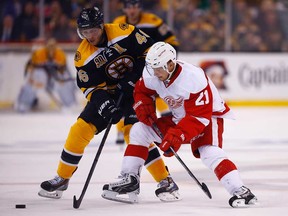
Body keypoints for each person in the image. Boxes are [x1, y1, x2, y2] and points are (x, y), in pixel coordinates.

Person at [38, 7, 180, 202]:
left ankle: (165, 181)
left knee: (135, 133)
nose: (90, 36)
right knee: (79, 130)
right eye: (85, 32)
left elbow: (150, 52)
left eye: (93, 31)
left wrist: (133, 77)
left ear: (102, 26)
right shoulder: (82, 56)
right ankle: (62, 178)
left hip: (138, 89)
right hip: (110, 94)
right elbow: (91, 89)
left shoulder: (124, 31)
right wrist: (106, 106)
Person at [102, 42, 258, 207]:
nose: (155, 73)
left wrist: (177, 136)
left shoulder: (193, 78)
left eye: (159, 68)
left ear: (170, 64)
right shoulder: (152, 73)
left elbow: (199, 117)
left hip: (208, 117)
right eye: (153, 68)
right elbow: (142, 90)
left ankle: (241, 191)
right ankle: (130, 179)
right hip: (180, 117)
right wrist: (144, 104)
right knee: (139, 130)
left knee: (208, 151)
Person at [113, 0, 179, 145]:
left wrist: (168, 61)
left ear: (140, 8)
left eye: (135, 6)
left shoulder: (153, 21)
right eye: (129, 7)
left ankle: (160, 120)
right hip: (127, 67)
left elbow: (172, 41)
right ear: (124, 9)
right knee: (125, 98)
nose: (132, 10)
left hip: (150, 67)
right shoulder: (117, 23)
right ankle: (121, 129)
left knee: (153, 92)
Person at [14, 38, 76, 113]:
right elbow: (31, 67)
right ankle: (23, 103)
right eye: (49, 46)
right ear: (46, 46)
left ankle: (69, 104)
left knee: (62, 85)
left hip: (53, 77)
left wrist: (62, 80)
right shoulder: (39, 53)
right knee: (32, 84)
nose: (51, 48)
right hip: (40, 77)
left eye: (53, 46)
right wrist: (30, 78)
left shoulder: (60, 54)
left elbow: (64, 70)